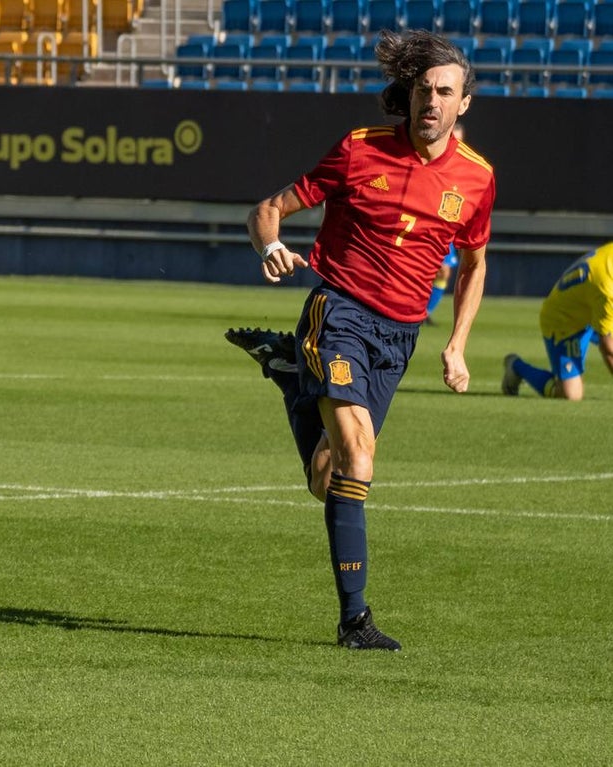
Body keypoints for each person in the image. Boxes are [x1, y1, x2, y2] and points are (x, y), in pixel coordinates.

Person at [225, 30, 496, 651]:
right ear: (408, 94)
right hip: (339, 313)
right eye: (423, 90)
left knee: (329, 475)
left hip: (398, 339)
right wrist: (270, 246)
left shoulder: (477, 179)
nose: (431, 101)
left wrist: (457, 344)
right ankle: (355, 621)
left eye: (444, 92)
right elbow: (266, 208)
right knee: (361, 461)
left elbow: (475, 264)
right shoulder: (359, 148)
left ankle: (292, 375)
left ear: (464, 103)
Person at [502, 242, 613, 400]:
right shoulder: (608, 288)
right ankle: (516, 366)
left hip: (591, 309)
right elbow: (608, 347)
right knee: (570, 395)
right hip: (565, 322)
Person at [424, 123, 466, 325]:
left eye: (459, 139)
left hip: (444, 226)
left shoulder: (465, 168)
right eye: (452, 138)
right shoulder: (429, 161)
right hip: (423, 222)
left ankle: (425, 313)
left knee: (444, 271)